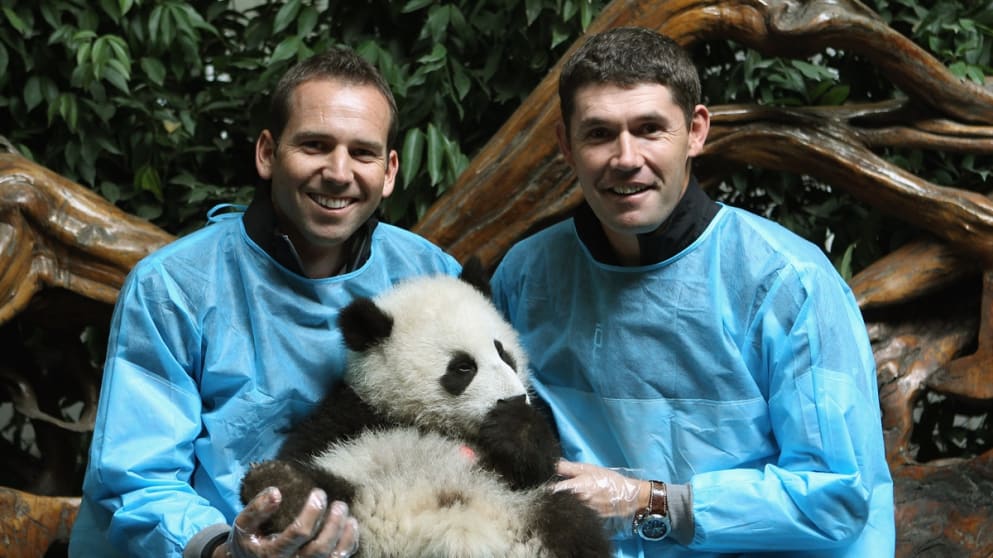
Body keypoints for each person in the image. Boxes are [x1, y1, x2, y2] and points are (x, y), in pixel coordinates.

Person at [491, 27, 895, 557]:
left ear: (696, 131)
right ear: (566, 145)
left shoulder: (787, 281)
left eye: (650, 129)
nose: (626, 157)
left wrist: (647, 501)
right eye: (598, 134)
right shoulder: (526, 275)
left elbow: (836, 494)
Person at [69, 46, 461, 558]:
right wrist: (223, 549)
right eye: (315, 145)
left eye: (362, 153)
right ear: (267, 154)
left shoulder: (430, 277)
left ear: (388, 172)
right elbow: (136, 476)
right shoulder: (174, 286)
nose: (339, 172)